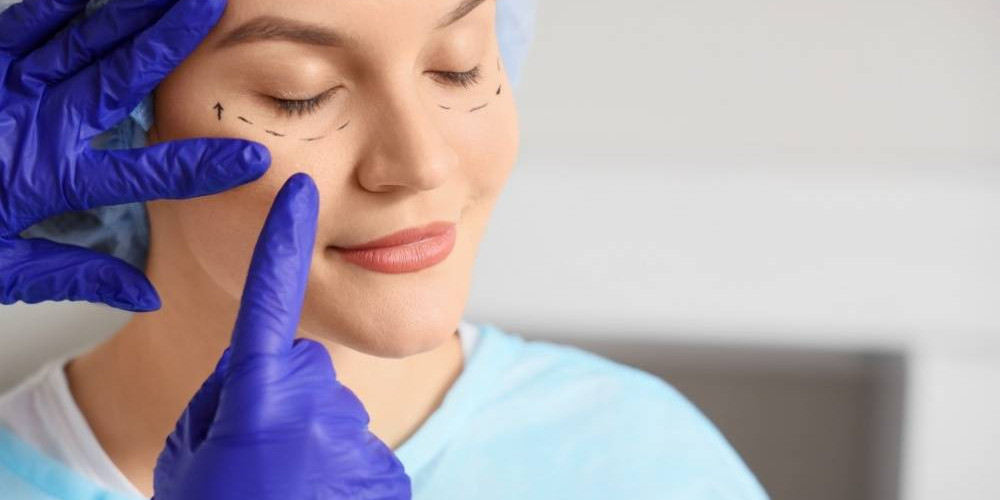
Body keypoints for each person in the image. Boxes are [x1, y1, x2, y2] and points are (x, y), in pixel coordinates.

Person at [0, 0, 772, 499]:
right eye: (298, 94)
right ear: (102, 128)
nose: (421, 162)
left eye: (459, 67)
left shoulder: (637, 457)